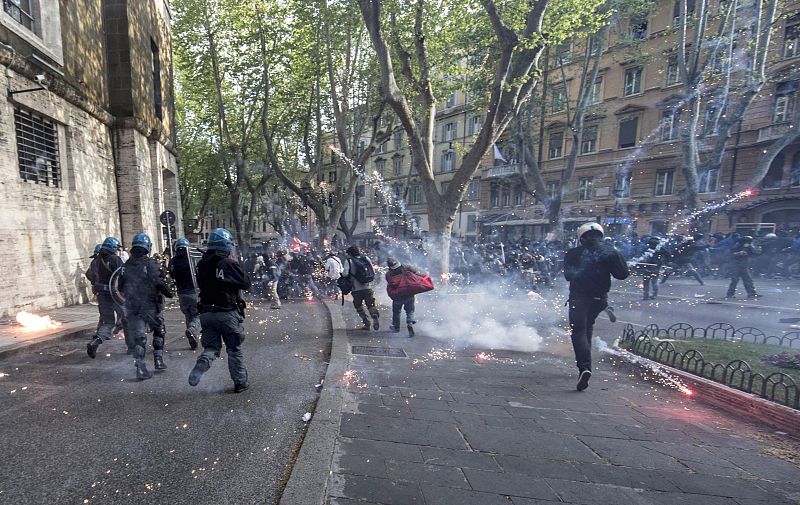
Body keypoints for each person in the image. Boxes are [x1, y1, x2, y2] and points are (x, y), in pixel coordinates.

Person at [564, 223, 630, 391]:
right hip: (599, 299)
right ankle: (585, 366)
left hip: (579, 298)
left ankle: (584, 367)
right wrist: (613, 254)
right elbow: (622, 274)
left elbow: (568, 275)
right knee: (587, 328)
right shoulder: (610, 252)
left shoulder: (573, 253)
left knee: (578, 331)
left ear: (581, 238)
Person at [188, 228, 252, 393]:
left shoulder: (202, 263)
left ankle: (203, 362)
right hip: (226, 313)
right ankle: (240, 382)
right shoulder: (227, 263)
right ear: (226, 245)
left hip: (207, 314)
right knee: (233, 348)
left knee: (211, 348)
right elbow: (246, 283)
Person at [119, 233, 173, 380]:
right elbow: (158, 282)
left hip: (133, 306)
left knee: (139, 338)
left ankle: (140, 368)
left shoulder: (125, 266)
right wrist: (169, 293)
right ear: (147, 248)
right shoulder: (150, 263)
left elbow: (120, 286)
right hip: (151, 306)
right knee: (159, 330)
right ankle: (158, 359)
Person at [85, 237, 124, 359]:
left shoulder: (95, 261)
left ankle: (95, 341)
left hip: (102, 295)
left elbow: (89, 274)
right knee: (126, 316)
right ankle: (132, 346)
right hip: (115, 294)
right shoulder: (115, 259)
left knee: (107, 322)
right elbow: (123, 275)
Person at [169, 237, 200, 350]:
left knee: (188, 315)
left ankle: (193, 339)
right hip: (193, 291)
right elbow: (198, 273)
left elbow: (172, 275)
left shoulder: (173, 261)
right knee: (198, 314)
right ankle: (192, 330)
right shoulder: (192, 259)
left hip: (181, 293)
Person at [342, 245, 379, 330]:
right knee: (370, 304)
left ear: (350, 253)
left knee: (358, 306)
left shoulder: (349, 261)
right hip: (368, 287)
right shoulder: (366, 258)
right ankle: (374, 315)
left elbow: (345, 274)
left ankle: (366, 323)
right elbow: (372, 271)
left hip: (356, 288)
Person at [385, 258, 417, 337]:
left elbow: (389, 283)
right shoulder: (405, 267)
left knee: (396, 312)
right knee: (410, 310)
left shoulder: (388, 274)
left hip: (397, 295)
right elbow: (415, 270)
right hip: (409, 293)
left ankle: (396, 327)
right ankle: (410, 322)